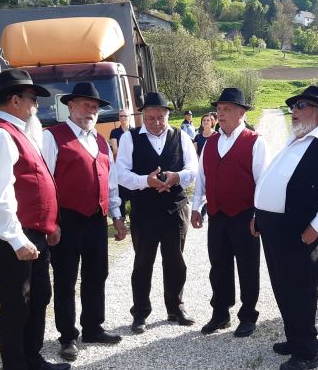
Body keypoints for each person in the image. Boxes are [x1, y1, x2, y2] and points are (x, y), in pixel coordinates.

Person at [0, 68, 69, 370]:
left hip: (32, 232)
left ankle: (31, 358)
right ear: (15, 100)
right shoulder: (0, 135)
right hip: (11, 235)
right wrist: (16, 239)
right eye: (32, 99)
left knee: (39, 296)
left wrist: (48, 226)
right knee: (17, 304)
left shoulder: (19, 131)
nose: (36, 105)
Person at [255, 85, 318, 370]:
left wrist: (317, 227)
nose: (294, 111)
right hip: (275, 228)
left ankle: (307, 352)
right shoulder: (293, 141)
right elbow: (272, 181)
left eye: (301, 106)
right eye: (293, 107)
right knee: (283, 286)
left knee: (300, 289)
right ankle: (294, 337)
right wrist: (258, 214)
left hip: (300, 230)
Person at [42, 82, 127, 362]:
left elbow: (111, 182)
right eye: (85, 105)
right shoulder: (52, 137)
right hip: (66, 219)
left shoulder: (100, 141)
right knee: (65, 279)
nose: (91, 110)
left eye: (95, 107)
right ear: (70, 106)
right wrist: (50, 222)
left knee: (96, 274)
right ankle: (67, 336)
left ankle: (92, 327)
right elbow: (45, 183)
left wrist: (117, 215)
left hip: (96, 219)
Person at [116, 92, 198, 334]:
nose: (156, 122)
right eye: (151, 118)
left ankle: (176, 307)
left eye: (161, 117)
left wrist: (176, 177)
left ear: (167, 115)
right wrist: (146, 181)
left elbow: (193, 168)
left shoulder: (180, 136)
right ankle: (140, 312)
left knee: (176, 261)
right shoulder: (129, 138)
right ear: (143, 116)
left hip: (175, 209)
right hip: (144, 210)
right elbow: (120, 174)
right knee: (143, 263)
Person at [191, 88, 269, 337]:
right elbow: (202, 177)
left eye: (227, 110)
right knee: (219, 265)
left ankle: (248, 315)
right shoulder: (210, 142)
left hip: (245, 215)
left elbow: (263, 183)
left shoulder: (255, 141)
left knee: (248, 267)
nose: (221, 114)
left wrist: (259, 216)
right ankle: (221, 313)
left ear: (241, 113)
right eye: (219, 110)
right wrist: (196, 207)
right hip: (217, 214)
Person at [109, 108, 133, 219]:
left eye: (125, 116)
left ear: (129, 117)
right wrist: (130, 153)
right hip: (120, 167)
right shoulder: (114, 132)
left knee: (134, 193)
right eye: (121, 116)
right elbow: (115, 150)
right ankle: (121, 218)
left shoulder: (134, 131)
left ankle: (135, 217)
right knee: (121, 194)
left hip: (134, 167)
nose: (123, 118)